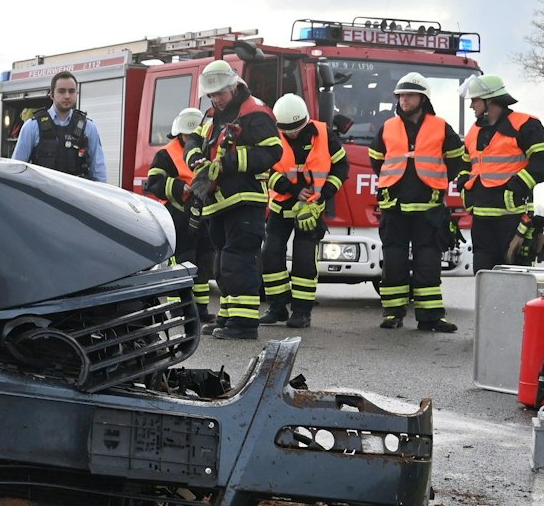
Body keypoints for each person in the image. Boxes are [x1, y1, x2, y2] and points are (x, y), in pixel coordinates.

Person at [369, 72, 470, 332]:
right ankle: (393, 313)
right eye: (400, 96)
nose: (404, 100)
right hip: (395, 208)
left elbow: (457, 160)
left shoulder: (441, 126)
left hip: (429, 209)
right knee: (393, 262)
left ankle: (430, 317)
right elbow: (376, 159)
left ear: (422, 98)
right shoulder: (388, 127)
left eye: (409, 95)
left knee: (428, 263)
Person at [189, 59, 280, 340]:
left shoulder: (255, 112)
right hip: (218, 203)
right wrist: (197, 161)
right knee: (224, 263)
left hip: (244, 200)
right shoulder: (214, 115)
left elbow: (271, 152)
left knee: (239, 260)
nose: (216, 99)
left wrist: (228, 162)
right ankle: (227, 317)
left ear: (233, 86)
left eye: (220, 94)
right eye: (212, 95)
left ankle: (244, 324)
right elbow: (193, 140)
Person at [258, 93, 347, 329]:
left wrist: (324, 195)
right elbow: (265, 170)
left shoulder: (324, 134)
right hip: (280, 208)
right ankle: (277, 307)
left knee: (304, 260)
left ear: (305, 121)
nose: (292, 134)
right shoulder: (272, 135)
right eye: (287, 130)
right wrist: (294, 189)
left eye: (296, 128)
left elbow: (341, 166)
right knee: (270, 255)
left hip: (312, 209)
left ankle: (301, 312)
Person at [463, 73, 544, 271]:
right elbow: (466, 164)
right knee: (483, 276)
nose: (471, 106)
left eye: (475, 100)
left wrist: (517, 186)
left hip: (513, 219)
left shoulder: (526, 125)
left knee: (514, 276)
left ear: (490, 101)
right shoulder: (474, 131)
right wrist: (465, 187)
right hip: (481, 219)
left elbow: (543, 162)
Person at [143, 108, 215, 328]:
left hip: (205, 213)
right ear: (178, 134)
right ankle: (179, 310)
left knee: (204, 261)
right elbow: (153, 183)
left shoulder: (209, 151)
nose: (189, 139)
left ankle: (201, 309)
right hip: (179, 215)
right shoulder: (166, 154)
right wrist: (179, 187)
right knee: (183, 261)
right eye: (185, 135)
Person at [10, 70, 107, 182]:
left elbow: (99, 171)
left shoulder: (88, 127)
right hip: (41, 196)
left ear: (77, 94)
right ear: (51, 94)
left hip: (76, 197)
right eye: (61, 91)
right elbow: (16, 169)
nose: (67, 96)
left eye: (71, 91)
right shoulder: (32, 126)